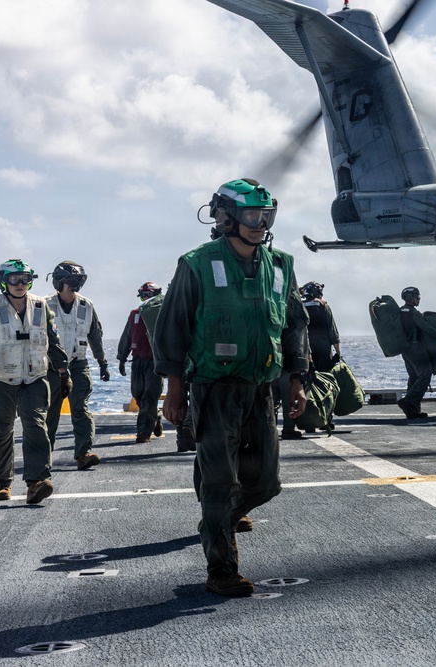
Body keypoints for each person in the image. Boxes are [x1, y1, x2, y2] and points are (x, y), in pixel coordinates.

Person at [153, 177, 309, 597]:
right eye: (250, 215)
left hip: (260, 390)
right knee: (221, 482)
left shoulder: (281, 265)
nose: (260, 223)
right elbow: (173, 328)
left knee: (266, 482)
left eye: (265, 215)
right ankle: (222, 569)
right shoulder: (197, 263)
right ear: (224, 218)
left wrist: (296, 380)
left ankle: (214, 519)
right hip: (213, 387)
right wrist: (174, 389)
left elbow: (293, 327)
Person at [0, 260, 70, 504]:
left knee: (36, 427)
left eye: (24, 279)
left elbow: (54, 340)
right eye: (14, 279)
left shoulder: (42, 306)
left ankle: (37, 482)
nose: (20, 284)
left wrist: (64, 372)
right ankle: (3, 482)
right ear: (3, 281)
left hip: (35, 377)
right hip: (1, 379)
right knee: (1, 433)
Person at [44, 261, 110, 469]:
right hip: (50, 368)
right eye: (70, 281)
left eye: (77, 281)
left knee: (80, 408)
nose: (74, 285)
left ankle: (84, 453)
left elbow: (95, 336)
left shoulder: (86, 305)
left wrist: (102, 362)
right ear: (59, 282)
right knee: (50, 413)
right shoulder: (43, 305)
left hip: (78, 363)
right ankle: (44, 458)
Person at [280, 281, 340, 439]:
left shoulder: (299, 305)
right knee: (325, 385)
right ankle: (325, 418)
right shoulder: (323, 306)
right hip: (323, 348)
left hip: (304, 350)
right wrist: (338, 352)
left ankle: (308, 420)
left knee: (304, 385)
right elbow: (332, 330)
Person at [117, 282, 165, 443]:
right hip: (137, 361)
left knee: (149, 397)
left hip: (155, 362)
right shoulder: (134, 314)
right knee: (138, 395)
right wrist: (122, 359)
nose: (146, 298)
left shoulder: (164, 314)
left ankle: (143, 433)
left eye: (149, 294)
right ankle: (156, 415)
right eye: (143, 295)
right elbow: (127, 336)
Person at [396, 286, 436, 419]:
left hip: (405, 349)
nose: (419, 299)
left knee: (414, 377)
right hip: (415, 348)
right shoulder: (413, 312)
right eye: (417, 296)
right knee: (425, 374)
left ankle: (412, 411)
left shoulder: (400, 311)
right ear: (410, 298)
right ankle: (409, 402)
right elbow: (425, 327)